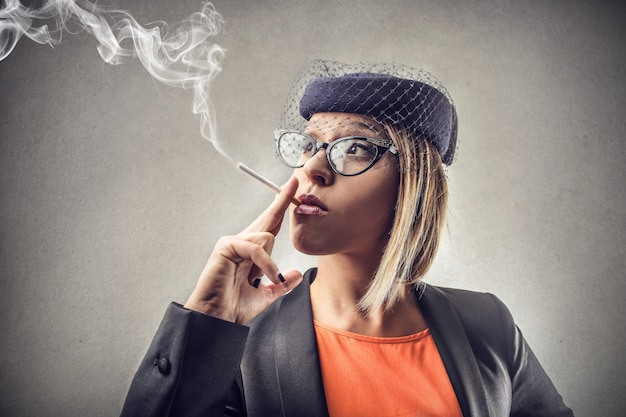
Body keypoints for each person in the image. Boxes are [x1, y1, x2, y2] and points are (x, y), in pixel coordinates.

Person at [120, 60, 574, 417]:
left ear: (413, 184)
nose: (311, 170)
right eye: (309, 145)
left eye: (354, 147)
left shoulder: (489, 325)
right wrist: (206, 324)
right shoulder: (236, 342)